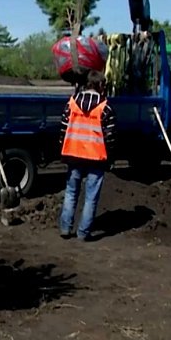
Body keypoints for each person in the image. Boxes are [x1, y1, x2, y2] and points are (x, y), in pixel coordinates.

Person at [58, 69, 116, 241]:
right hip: (96, 158)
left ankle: (65, 228)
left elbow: (63, 129)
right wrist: (110, 157)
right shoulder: (105, 107)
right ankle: (83, 233)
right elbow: (110, 136)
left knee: (71, 192)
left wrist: (62, 149)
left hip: (73, 154)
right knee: (91, 197)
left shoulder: (72, 103)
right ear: (100, 85)